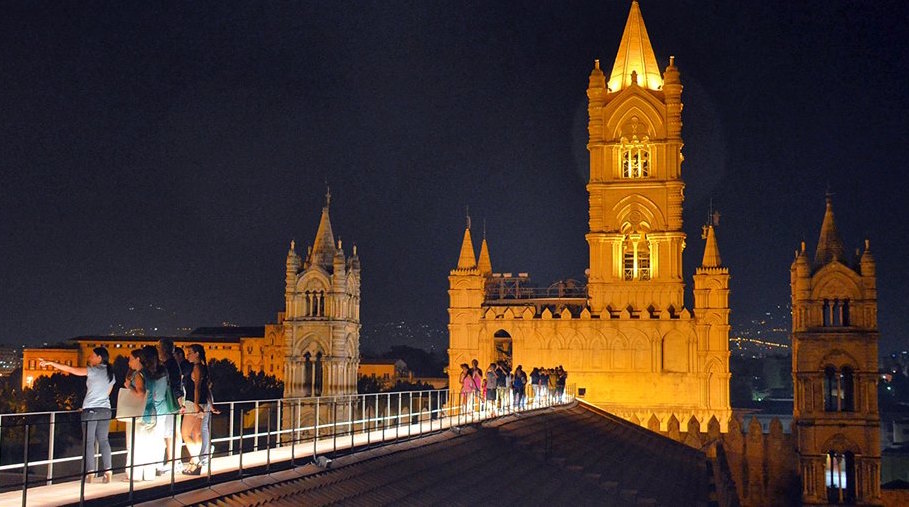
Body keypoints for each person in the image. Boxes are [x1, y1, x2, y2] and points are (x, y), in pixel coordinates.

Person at [39, 348, 115, 483]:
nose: (89, 358)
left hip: (90, 411)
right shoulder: (111, 374)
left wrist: (50, 363)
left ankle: (90, 473)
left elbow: (71, 369)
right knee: (104, 441)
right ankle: (108, 471)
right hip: (105, 410)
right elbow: (107, 393)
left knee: (89, 442)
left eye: (92, 356)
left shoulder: (93, 371)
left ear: (99, 357)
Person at [132, 345, 168, 481]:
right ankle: (152, 471)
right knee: (155, 441)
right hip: (159, 410)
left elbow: (141, 393)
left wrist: (129, 387)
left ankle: (137, 475)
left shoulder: (141, 373)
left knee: (140, 443)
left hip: (144, 411)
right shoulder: (162, 371)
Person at [181, 344, 210, 475]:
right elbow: (206, 388)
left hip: (194, 403)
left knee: (185, 434)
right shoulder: (204, 367)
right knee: (196, 434)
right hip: (202, 404)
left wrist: (196, 404)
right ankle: (195, 463)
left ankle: (195, 461)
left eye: (190, 352)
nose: (187, 355)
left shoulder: (196, 368)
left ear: (197, 353)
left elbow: (196, 387)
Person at [157, 338, 184, 474]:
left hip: (170, 401)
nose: (157, 350)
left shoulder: (168, 365)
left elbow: (175, 383)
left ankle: (173, 461)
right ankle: (174, 461)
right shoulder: (172, 363)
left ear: (164, 350)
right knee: (173, 432)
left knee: (171, 432)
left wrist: (178, 400)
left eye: (159, 347)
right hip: (173, 400)